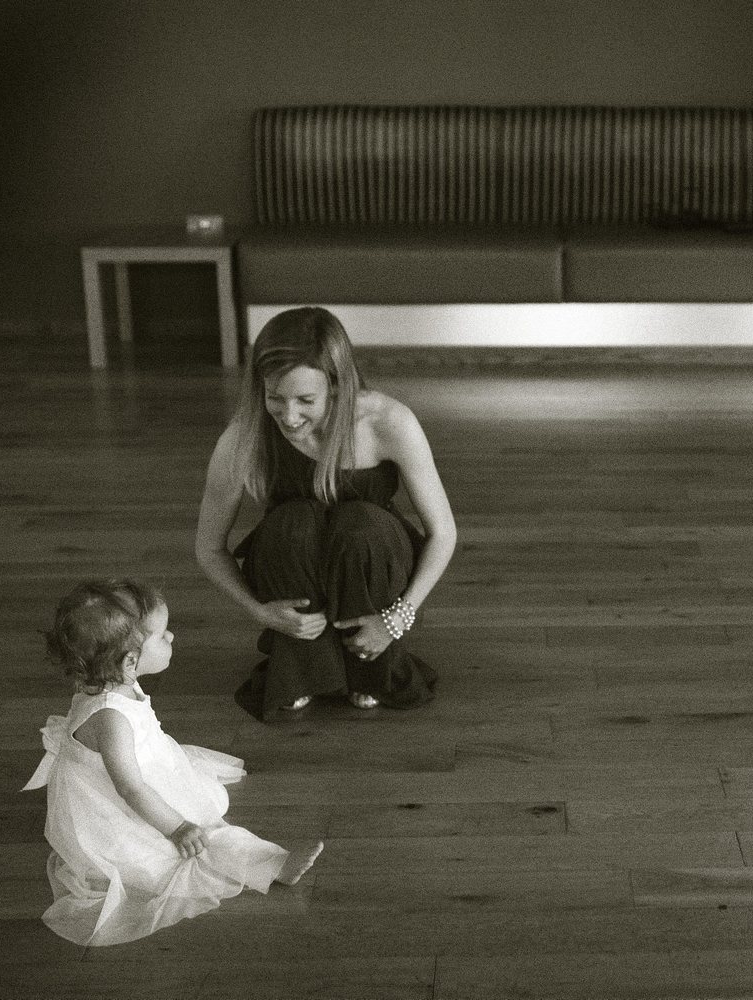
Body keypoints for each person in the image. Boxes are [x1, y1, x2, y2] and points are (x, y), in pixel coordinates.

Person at [23, 579, 323, 946]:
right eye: (163, 635)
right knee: (199, 843)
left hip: (141, 772)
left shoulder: (109, 682)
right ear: (130, 661)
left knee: (204, 801)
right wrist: (177, 827)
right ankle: (274, 865)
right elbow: (131, 787)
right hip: (123, 805)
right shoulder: (111, 719)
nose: (172, 637)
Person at [195, 306, 456, 719]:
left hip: (372, 553)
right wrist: (259, 611)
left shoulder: (388, 421)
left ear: (337, 385)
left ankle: (371, 666)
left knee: (360, 524)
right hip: (292, 556)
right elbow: (209, 548)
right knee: (293, 523)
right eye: (274, 397)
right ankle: (300, 668)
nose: (289, 416)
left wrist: (397, 618)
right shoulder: (243, 437)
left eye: (305, 400)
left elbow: (443, 533)